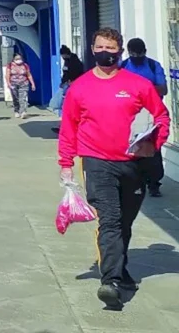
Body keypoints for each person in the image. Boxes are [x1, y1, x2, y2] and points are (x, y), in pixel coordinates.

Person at [58, 28, 170, 309]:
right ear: (92, 49)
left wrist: (154, 143)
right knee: (109, 220)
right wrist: (66, 164)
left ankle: (120, 269)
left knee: (124, 222)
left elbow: (161, 116)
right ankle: (110, 282)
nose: (104, 52)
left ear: (119, 52)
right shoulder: (80, 87)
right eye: (99, 47)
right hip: (96, 163)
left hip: (132, 164)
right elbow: (68, 128)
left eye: (110, 48)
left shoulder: (138, 84)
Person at [121, 37, 168, 198]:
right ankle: (136, 182)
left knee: (153, 150)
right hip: (130, 114)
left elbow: (163, 89)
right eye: (134, 53)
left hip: (152, 113)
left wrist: (141, 89)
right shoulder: (123, 67)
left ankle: (154, 183)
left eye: (139, 53)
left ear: (145, 52)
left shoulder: (154, 66)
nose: (137, 56)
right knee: (132, 150)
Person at [7, 52, 36, 119]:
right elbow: (7, 75)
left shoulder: (25, 65)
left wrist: (33, 84)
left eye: (20, 58)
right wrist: (8, 83)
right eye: (17, 58)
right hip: (13, 84)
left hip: (24, 83)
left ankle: (23, 112)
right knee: (16, 98)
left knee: (23, 98)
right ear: (13, 59)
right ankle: (16, 111)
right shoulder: (10, 65)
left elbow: (29, 75)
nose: (19, 60)